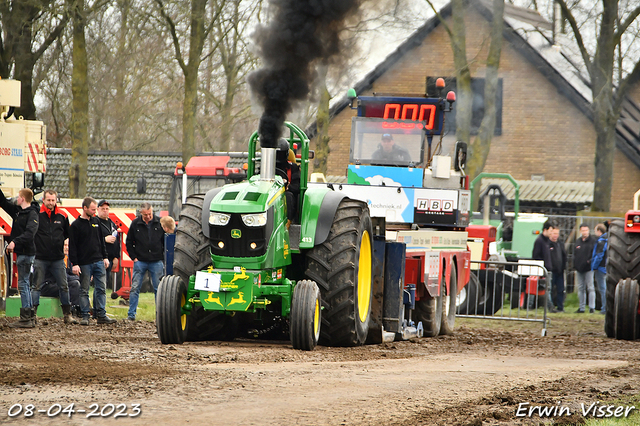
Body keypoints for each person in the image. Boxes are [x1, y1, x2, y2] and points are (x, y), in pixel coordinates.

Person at [30, 189, 77, 324]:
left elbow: (68, 234)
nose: (51, 203)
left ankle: (67, 315)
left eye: (53, 200)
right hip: (40, 257)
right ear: (43, 200)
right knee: (37, 286)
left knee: (64, 285)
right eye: (48, 200)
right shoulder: (37, 215)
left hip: (57, 258)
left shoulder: (62, 216)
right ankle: (33, 314)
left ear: (56, 200)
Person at [68, 197, 116, 325]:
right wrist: (75, 263)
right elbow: (73, 246)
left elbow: (101, 241)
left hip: (99, 261)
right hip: (84, 263)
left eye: (95, 209)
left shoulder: (96, 222)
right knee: (84, 289)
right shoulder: (75, 226)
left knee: (101, 288)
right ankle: (85, 316)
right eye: (93, 209)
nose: (94, 212)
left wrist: (105, 257)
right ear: (85, 208)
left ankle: (101, 314)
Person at [0, 188, 39, 328]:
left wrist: (15, 242)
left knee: (23, 283)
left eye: (18, 196)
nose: (16, 198)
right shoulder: (19, 211)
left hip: (27, 253)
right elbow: (3, 203)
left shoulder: (32, 213)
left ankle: (26, 317)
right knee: (25, 283)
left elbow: (30, 233)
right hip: (22, 253)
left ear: (22, 198)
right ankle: (29, 315)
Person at [126, 202, 165, 321]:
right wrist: (134, 258)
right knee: (135, 288)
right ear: (141, 213)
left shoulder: (160, 222)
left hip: (156, 261)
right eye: (145, 215)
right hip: (140, 261)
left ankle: (160, 315)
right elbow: (129, 242)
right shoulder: (135, 224)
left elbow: (165, 240)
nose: (148, 217)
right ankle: (131, 315)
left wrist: (162, 256)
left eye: (149, 214)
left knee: (159, 289)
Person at [531, 220, 556, 312]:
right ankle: (549, 307)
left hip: (547, 268)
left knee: (546, 288)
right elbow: (536, 255)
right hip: (542, 269)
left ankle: (549, 306)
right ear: (545, 230)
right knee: (540, 288)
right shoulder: (540, 241)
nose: (551, 233)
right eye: (550, 231)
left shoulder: (546, 241)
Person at [97, 200, 120, 291]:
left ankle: (101, 303)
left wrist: (116, 257)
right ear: (98, 209)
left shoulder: (112, 224)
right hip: (100, 258)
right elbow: (91, 240)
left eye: (107, 209)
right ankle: (98, 305)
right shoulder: (95, 223)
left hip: (110, 258)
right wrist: (104, 239)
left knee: (104, 284)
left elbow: (117, 241)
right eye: (103, 209)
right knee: (100, 285)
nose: (105, 211)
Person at [275, 138, 301, 220]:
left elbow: (298, 186)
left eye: (281, 154)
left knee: (288, 196)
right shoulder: (265, 167)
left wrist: (288, 186)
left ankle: (288, 223)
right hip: (269, 194)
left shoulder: (292, 168)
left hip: (285, 194)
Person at [573, 224, 596, 313]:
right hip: (579, 268)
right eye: (583, 230)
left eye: (586, 230)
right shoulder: (578, 241)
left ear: (589, 230)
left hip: (589, 268)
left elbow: (594, 254)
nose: (584, 232)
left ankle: (591, 307)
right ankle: (581, 307)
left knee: (590, 287)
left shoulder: (593, 241)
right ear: (580, 231)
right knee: (580, 288)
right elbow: (575, 254)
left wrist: (589, 262)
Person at [548, 228, 567, 312]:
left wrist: (563, 267)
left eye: (557, 233)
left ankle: (560, 307)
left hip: (560, 271)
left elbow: (564, 256)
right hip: (551, 271)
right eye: (554, 233)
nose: (555, 235)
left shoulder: (560, 244)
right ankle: (551, 307)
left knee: (561, 289)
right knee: (550, 289)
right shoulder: (547, 244)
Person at [591, 223, 608, 315]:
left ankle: (604, 308)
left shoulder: (601, 241)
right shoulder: (608, 240)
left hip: (601, 268)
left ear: (599, 231)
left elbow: (599, 255)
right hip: (606, 267)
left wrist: (594, 266)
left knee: (602, 289)